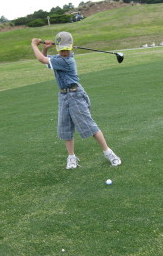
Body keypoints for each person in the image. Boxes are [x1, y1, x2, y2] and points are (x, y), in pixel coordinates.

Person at [31, 31, 121, 169]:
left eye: (67, 50)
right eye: (62, 50)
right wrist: (45, 48)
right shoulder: (58, 58)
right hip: (63, 96)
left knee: (89, 125)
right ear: (58, 49)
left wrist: (34, 44)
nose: (64, 53)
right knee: (65, 128)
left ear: (71, 48)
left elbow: (41, 60)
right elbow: (46, 60)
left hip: (75, 95)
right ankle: (71, 157)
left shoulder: (66, 61)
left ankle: (109, 153)